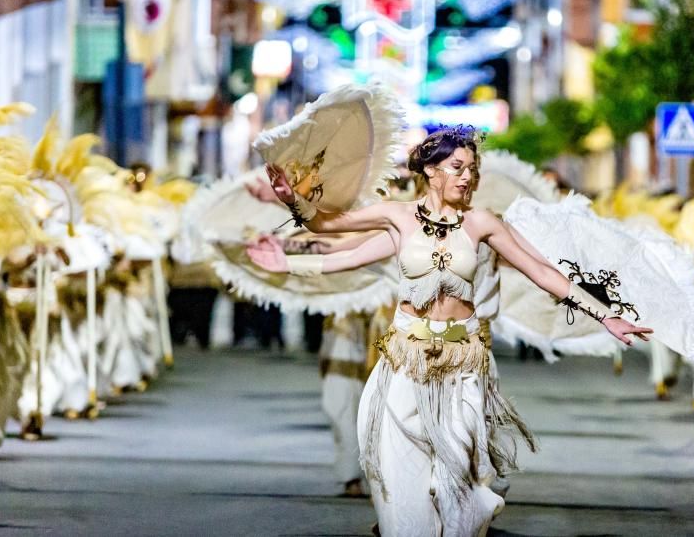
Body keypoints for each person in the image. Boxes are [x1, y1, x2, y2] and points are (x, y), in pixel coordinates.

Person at [246, 126, 652, 536]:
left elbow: (542, 271)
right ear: (431, 170)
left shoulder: (481, 223)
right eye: (457, 167)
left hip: (462, 369)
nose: (467, 177)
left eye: (472, 169)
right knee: (404, 485)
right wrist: (289, 212)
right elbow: (330, 230)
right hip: (406, 366)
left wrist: (604, 315)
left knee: (458, 483)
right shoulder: (398, 217)